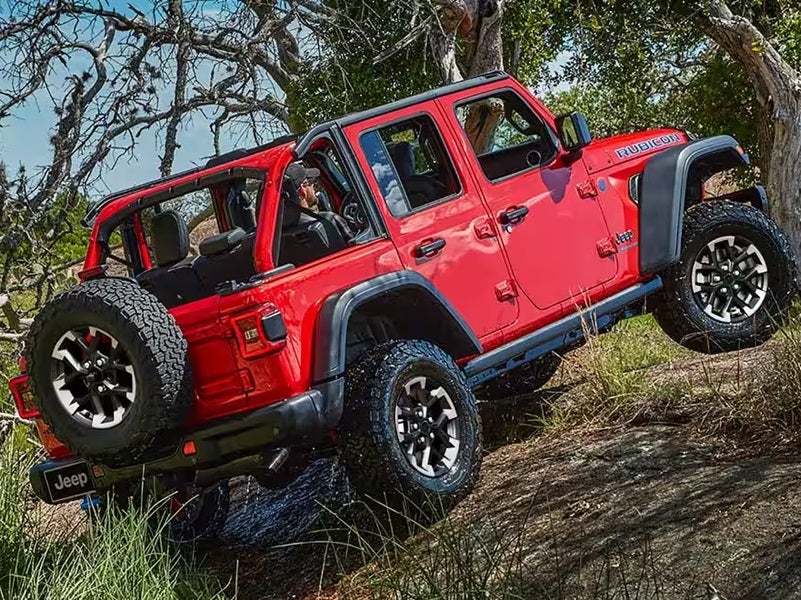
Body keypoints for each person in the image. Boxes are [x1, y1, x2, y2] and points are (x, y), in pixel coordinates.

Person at [285, 162, 355, 242]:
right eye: (310, 181)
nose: (313, 186)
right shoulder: (331, 221)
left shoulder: (276, 235)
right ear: (302, 190)